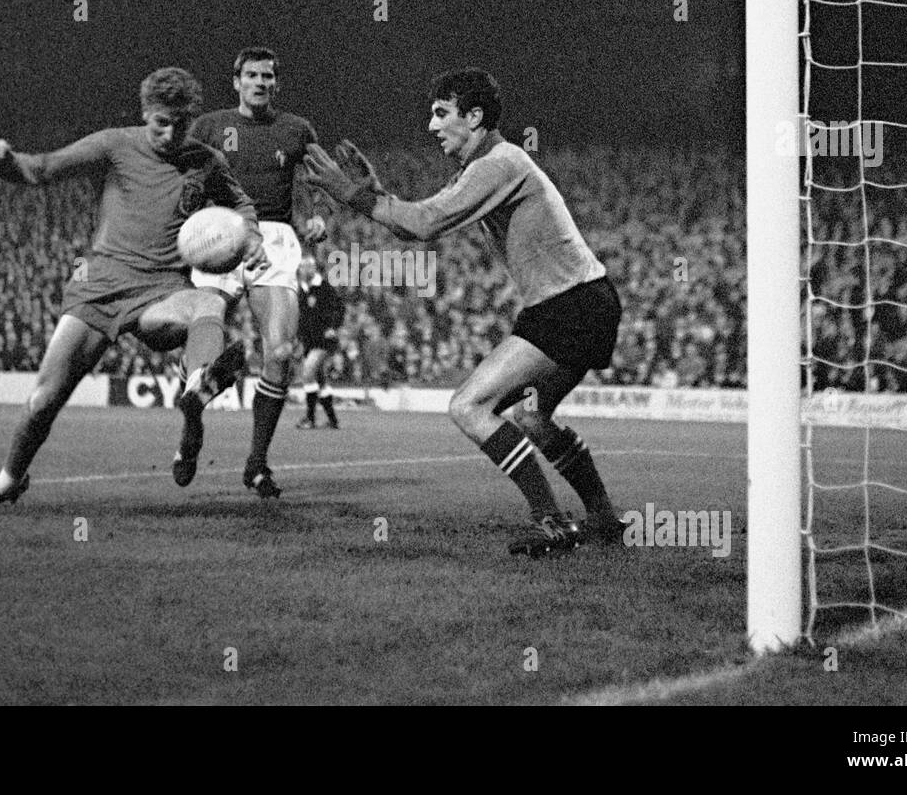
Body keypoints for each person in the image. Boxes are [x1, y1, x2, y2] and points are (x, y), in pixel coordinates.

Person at [304, 68, 626, 557]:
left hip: (571, 305)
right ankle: (603, 520)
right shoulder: (486, 167)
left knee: (469, 406)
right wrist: (376, 193)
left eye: (441, 113)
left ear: (473, 117)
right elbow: (412, 226)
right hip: (583, 301)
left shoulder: (499, 163)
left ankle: (552, 522)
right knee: (534, 418)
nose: (431, 126)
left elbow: (425, 223)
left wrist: (350, 194)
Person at [0, 67, 268, 517]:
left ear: (192, 119)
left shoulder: (207, 160)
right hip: (100, 288)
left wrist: (251, 237)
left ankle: (197, 384)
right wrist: (4, 161)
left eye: (181, 123)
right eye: (161, 121)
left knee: (210, 300)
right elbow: (41, 169)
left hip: (162, 290)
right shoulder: (115, 144)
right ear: (145, 114)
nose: (171, 132)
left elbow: (241, 205)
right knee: (43, 402)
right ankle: (5, 484)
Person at [184, 47, 325, 497]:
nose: (260, 82)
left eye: (268, 76)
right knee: (201, 324)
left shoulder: (296, 129)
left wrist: (318, 213)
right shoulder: (208, 126)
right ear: (236, 81)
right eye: (251, 75)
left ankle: (257, 464)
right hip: (218, 231)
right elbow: (182, 178)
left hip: (276, 237)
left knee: (281, 351)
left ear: (276, 83)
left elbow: (317, 179)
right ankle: (196, 401)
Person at [294, 254, 344, 430]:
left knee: (308, 373)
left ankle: (310, 418)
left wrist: (333, 326)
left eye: (309, 266)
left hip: (322, 341)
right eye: (303, 266)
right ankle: (333, 420)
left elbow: (340, 307)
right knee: (320, 380)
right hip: (308, 341)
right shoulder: (301, 289)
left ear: (314, 268)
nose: (306, 269)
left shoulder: (323, 287)